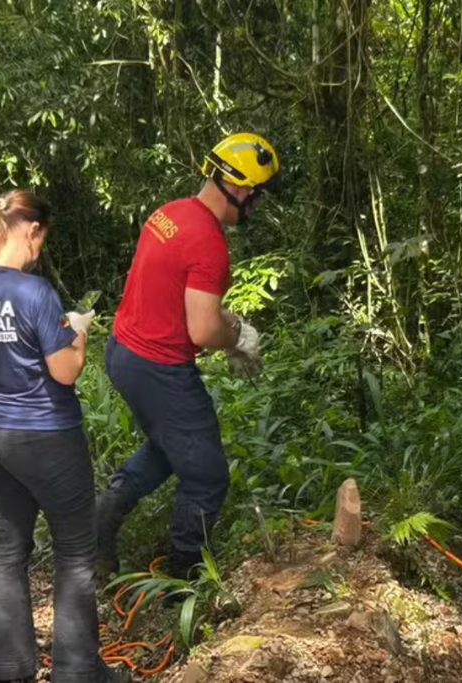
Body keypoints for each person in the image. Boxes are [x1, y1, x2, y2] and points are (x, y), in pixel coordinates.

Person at [0, 190, 118, 682]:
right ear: (32, 230)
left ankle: (6, 669)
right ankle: (78, 671)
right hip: (42, 432)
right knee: (74, 550)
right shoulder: (34, 291)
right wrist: (78, 331)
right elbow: (64, 370)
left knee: (6, 547)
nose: (42, 246)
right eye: (43, 236)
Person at [96, 133, 276, 580]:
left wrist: (223, 319)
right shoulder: (209, 243)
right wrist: (234, 334)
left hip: (124, 352)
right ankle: (184, 582)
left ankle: (99, 524)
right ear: (239, 188)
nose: (256, 204)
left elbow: (175, 294)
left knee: (169, 447)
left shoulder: (169, 213)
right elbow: (202, 328)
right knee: (207, 474)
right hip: (159, 367)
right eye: (256, 194)